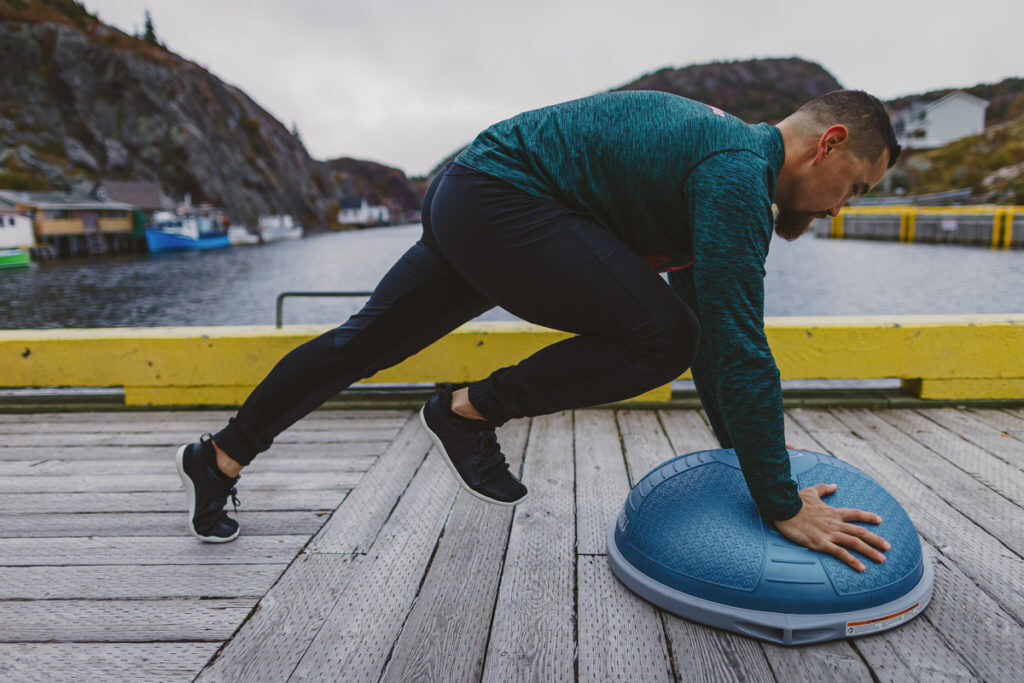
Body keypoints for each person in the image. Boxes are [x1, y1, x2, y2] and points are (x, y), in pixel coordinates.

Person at [175, 88, 897, 572]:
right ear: (829, 144)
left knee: (361, 344)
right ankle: (466, 411)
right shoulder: (737, 174)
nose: (842, 206)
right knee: (663, 338)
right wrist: (780, 501)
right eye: (857, 186)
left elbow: (716, 335)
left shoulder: (724, 162)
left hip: (471, 189)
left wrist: (747, 457)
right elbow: (738, 348)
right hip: (503, 199)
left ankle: (219, 458)